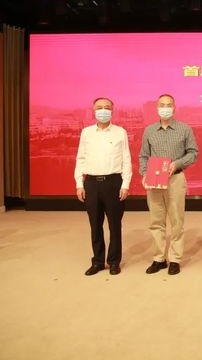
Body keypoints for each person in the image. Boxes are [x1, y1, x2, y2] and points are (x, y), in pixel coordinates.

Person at [139, 94, 198, 275]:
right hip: (154, 179)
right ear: (157, 108)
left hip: (175, 179)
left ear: (174, 107)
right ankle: (159, 258)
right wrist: (144, 174)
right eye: (162, 105)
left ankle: (175, 259)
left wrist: (177, 163)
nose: (165, 108)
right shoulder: (149, 130)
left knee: (176, 220)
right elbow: (143, 155)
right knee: (156, 220)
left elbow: (193, 153)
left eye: (169, 105)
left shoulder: (184, 129)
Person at [74, 97, 132, 276]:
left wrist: (125, 184)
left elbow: (126, 159)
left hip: (113, 182)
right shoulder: (86, 133)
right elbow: (80, 158)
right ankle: (98, 262)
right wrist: (79, 184)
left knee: (115, 225)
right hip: (91, 183)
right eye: (99, 108)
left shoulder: (120, 132)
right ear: (93, 111)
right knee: (95, 225)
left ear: (112, 111)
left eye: (107, 107)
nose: (103, 110)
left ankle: (114, 262)